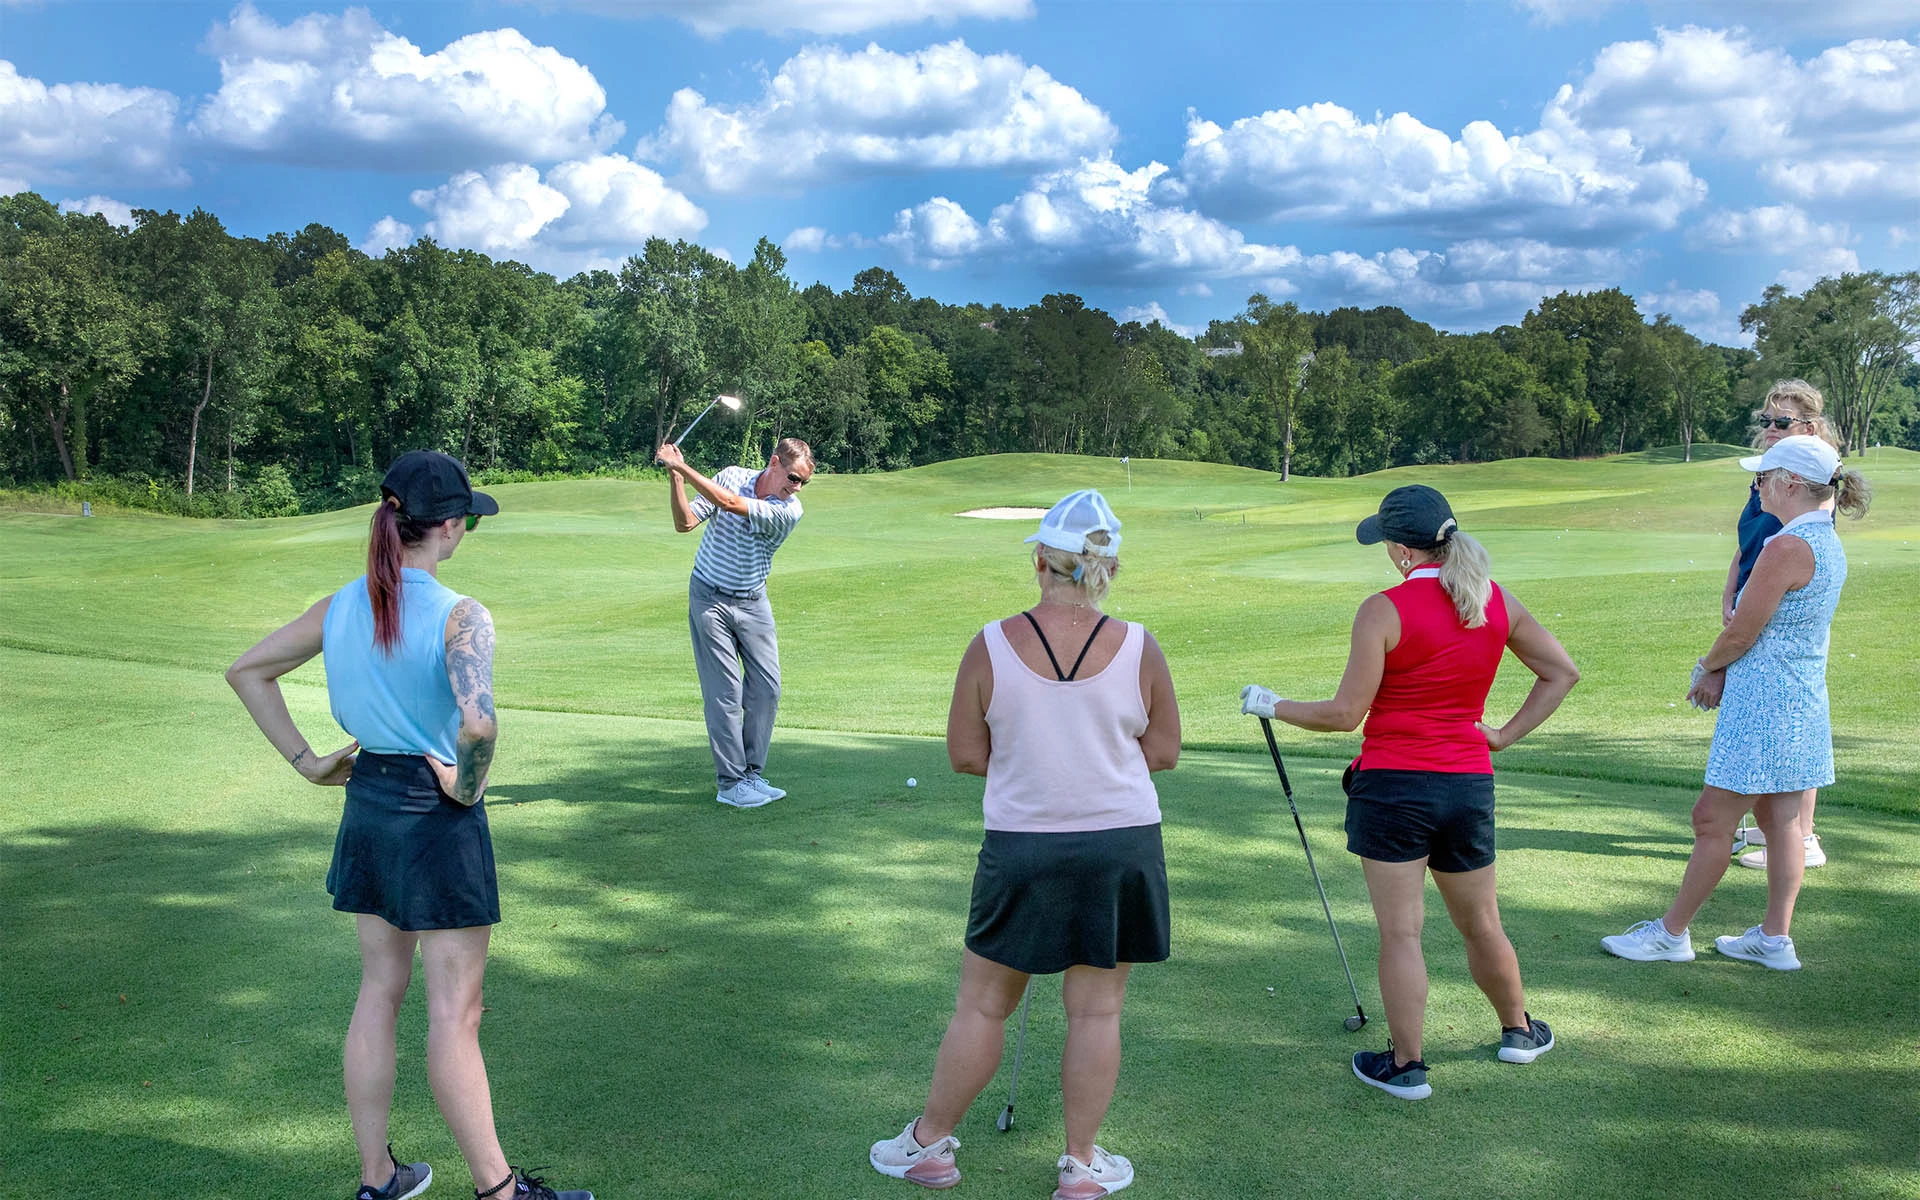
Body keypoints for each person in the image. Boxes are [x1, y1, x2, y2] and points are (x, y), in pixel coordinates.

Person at [226, 451, 592, 1200]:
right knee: (455, 1014)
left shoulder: (341, 604)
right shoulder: (463, 613)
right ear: (450, 526)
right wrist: (466, 786)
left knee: (379, 990)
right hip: (435, 814)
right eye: (467, 521)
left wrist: (306, 762)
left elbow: (247, 671)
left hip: (369, 803)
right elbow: (479, 723)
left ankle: (377, 1178)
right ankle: (499, 1192)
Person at [869, 489, 1180, 1198]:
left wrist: (1033, 758)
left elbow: (965, 754)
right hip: (1121, 845)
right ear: (1108, 570)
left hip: (1024, 847)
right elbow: (1163, 751)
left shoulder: (990, 642)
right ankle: (1080, 1165)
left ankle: (928, 1146)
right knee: (1097, 1011)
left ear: (1041, 560)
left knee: (982, 1005)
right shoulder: (1140, 644)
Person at [1240, 484, 1579, 1101]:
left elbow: (1347, 714)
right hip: (1467, 784)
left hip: (1394, 785)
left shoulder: (1383, 609)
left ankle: (1407, 1066)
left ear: (1401, 550)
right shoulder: (1494, 600)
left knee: (1402, 933)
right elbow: (1562, 673)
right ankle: (1518, 1032)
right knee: (1481, 924)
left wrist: (1272, 704)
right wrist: (1500, 736)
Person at [1603, 436, 1869, 972]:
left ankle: (1671, 934)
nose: (1758, 487)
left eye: (1763, 478)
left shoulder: (1787, 547)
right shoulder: (1822, 540)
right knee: (1782, 822)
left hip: (1765, 703)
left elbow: (1743, 632)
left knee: (1712, 819)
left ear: (1789, 483)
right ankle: (1774, 939)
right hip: (1798, 701)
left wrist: (1708, 669)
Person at [1720, 380, 1841, 871]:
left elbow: (1797, 556)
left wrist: (1714, 658)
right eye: (1766, 421)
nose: (1768, 429)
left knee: (1791, 725)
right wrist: (1730, 594)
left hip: (1785, 615)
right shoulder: (1767, 479)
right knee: (1765, 720)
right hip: (1754, 601)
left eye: (1781, 422)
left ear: (1809, 428)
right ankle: (1742, 823)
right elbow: (1745, 542)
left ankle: (1800, 835)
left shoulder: (1806, 484)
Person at [655, 437, 812, 809]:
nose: (797, 487)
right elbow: (686, 522)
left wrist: (681, 467)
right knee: (724, 694)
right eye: (793, 477)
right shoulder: (731, 476)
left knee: (767, 689)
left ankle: (751, 775)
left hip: (753, 602)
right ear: (774, 463)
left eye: (804, 482)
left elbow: (728, 503)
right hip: (708, 597)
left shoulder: (790, 510)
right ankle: (731, 784)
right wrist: (675, 479)